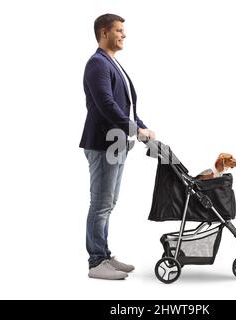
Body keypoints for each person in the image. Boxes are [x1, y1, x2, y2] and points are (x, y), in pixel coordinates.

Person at [79, 13, 155, 280]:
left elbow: (126, 107)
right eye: (119, 30)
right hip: (103, 144)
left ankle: (104, 255)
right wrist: (136, 130)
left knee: (108, 203)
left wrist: (142, 127)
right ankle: (96, 262)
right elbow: (107, 106)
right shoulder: (97, 64)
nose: (124, 35)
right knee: (100, 204)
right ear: (104, 32)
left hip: (118, 143)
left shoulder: (112, 63)